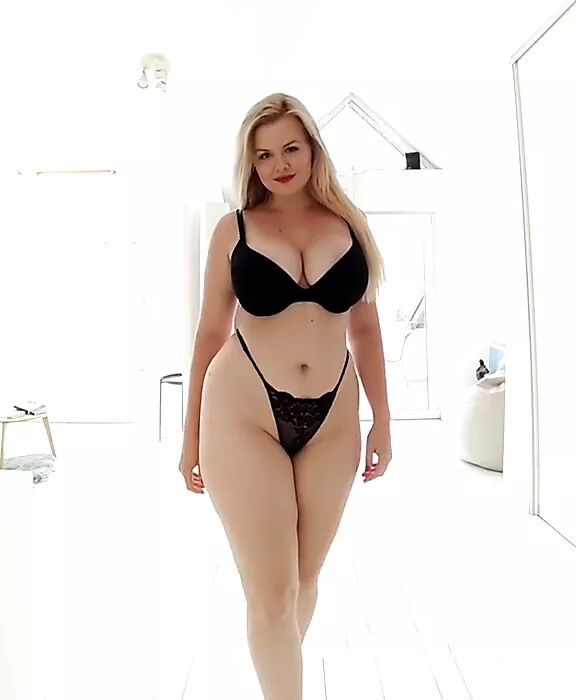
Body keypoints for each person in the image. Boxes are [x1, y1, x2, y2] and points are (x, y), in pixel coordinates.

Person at [178, 92, 392, 700]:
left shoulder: (350, 226)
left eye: (291, 148)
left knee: (303, 581)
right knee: (272, 595)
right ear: (250, 162)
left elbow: (366, 329)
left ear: (314, 149)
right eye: (264, 154)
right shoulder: (233, 229)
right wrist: (190, 436)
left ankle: (276, 678)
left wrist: (383, 420)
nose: (279, 164)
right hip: (243, 409)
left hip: (334, 417)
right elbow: (210, 332)